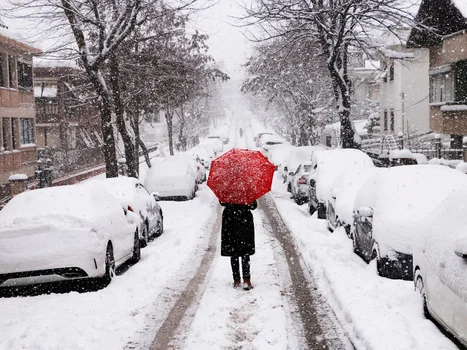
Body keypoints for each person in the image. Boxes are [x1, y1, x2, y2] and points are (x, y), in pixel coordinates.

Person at [220, 200, 257, 290]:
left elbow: (222, 202)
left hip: (231, 221)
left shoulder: (227, 189)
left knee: (234, 252)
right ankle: (246, 279)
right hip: (243, 221)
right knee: (244, 252)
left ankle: (237, 279)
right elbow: (253, 206)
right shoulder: (247, 189)